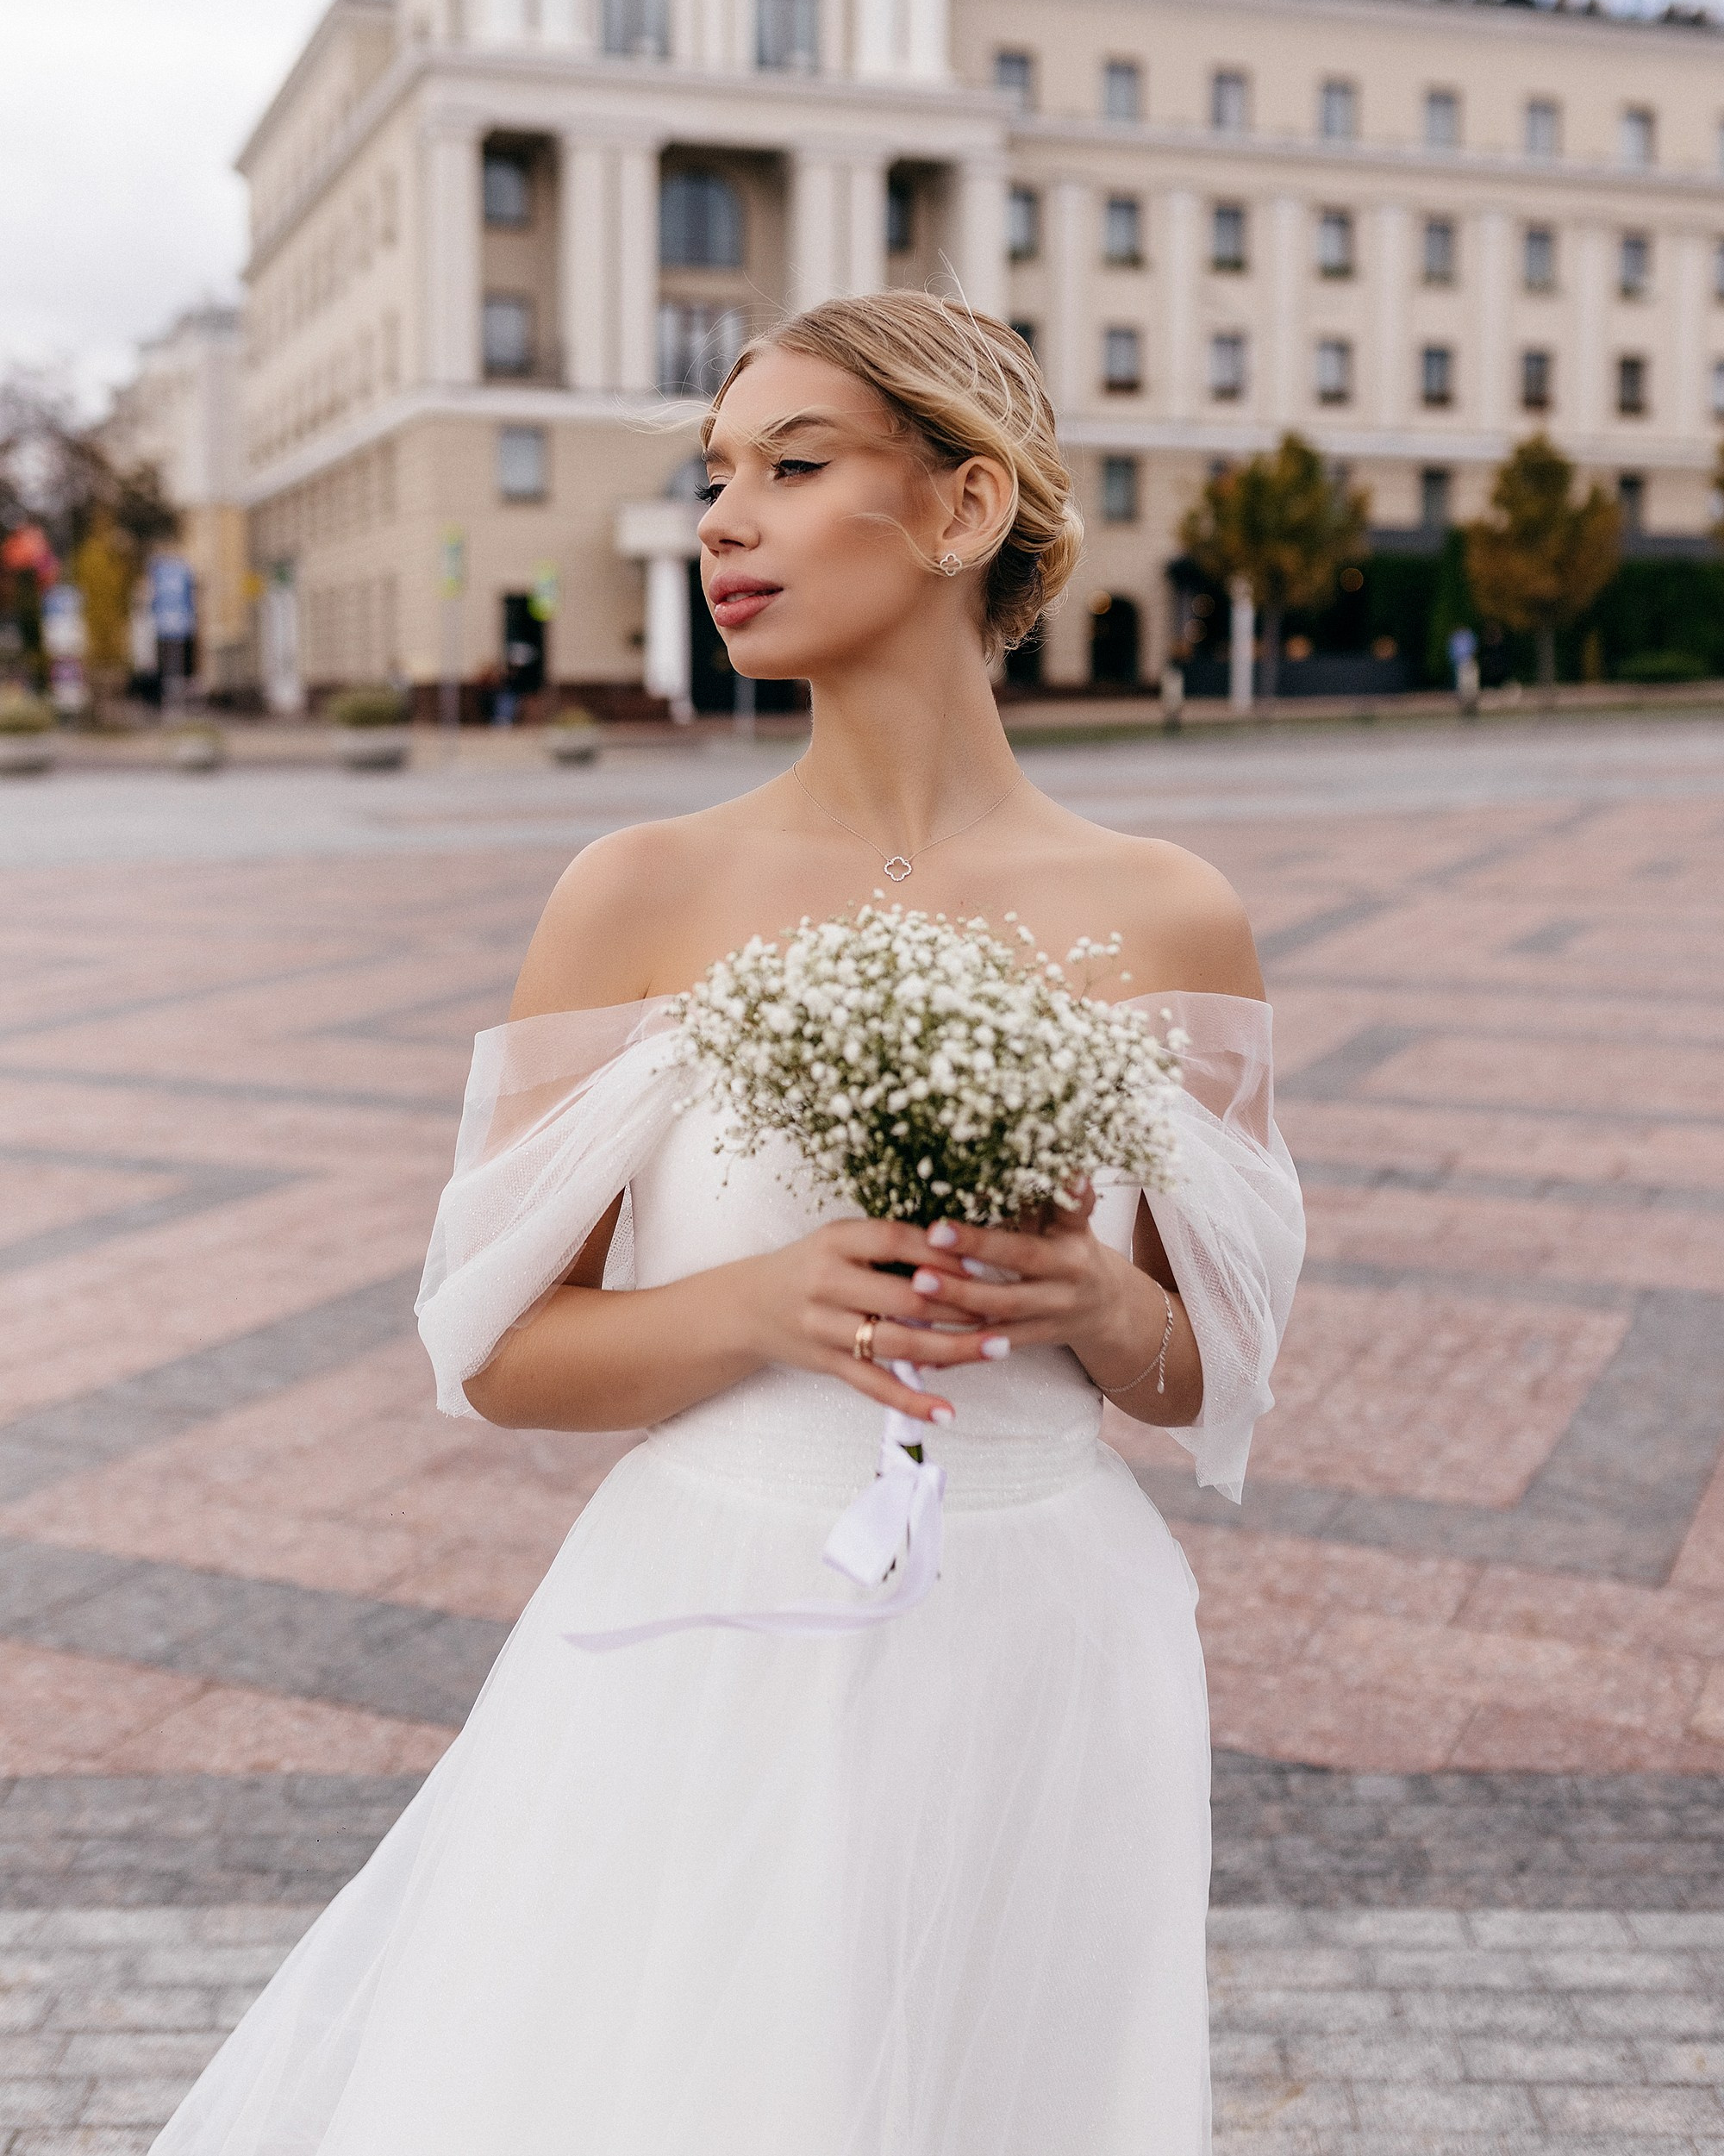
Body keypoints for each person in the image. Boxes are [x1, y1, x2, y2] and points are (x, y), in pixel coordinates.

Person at [153, 293, 1303, 2156]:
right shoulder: (638, 891)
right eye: (711, 480)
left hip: (1050, 1638)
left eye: (792, 465)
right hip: (713, 1632)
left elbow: (1194, 1376)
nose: (721, 523)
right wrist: (770, 1304)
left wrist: (1092, 1288)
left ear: (959, 508)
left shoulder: (1168, 916)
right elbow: (500, 1348)